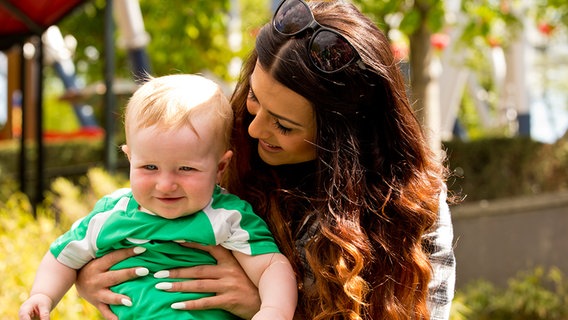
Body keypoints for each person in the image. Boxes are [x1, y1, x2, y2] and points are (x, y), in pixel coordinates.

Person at [74, 0, 457, 319]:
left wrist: (263, 305)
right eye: (255, 98)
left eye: (284, 125)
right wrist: (90, 277)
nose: (254, 129)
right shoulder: (220, 151)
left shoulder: (412, 210)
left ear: (342, 141)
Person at [18, 74, 297, 320]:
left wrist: (273, 310)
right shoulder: (112, 213)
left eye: (186, 169)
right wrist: (43, 295)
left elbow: (271, 266)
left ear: (220, 168)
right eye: (149, 167)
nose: (165, 185)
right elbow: (61, 256)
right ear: (129, 158)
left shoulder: (226, 216)